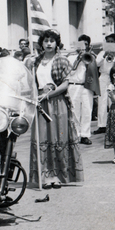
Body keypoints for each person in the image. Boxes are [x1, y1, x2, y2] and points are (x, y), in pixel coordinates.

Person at [30, 29, 84, 189]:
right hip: (40, 102)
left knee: (59, 137)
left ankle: (58, 176)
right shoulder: (35, 61)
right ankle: (45, 175)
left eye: (51, 41)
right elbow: (31, 82)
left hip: (58, 102)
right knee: (43, 138)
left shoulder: (62, 60)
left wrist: (49, 94)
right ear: (41, 43)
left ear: (56, 43)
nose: (48, 44)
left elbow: (65, 85)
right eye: (45, 41)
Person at [66, 34, 100, 145]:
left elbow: (96, 72)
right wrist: (78, 59)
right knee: (74, 111)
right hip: (74, 85)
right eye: (81, 44)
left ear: (88, 46)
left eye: (86, 44)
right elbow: (70, 72)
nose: (83, 46)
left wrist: (90, 57)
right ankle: (75, 134)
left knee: (87, 110)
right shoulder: (70, 56)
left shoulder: (90, 57)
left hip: (87, 87)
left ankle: (85, 135)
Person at [94, 34, 115, 135]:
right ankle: (102, 125)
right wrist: (104, 56)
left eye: (112, 41)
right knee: (102, 101)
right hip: (104, 77)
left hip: (113, 78)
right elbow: (96, 64)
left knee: (114, 101)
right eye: (108, 41)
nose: (110, 43)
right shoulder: (102, 52)